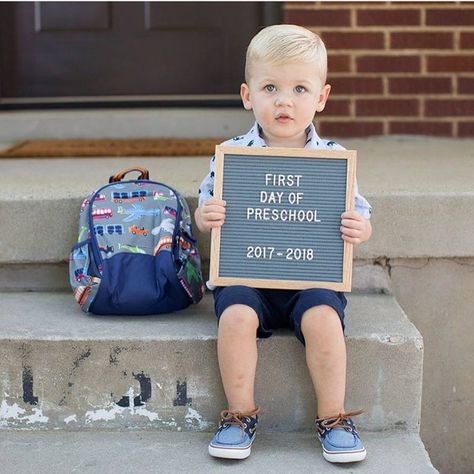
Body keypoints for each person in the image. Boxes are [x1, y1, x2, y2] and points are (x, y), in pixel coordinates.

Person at [195, 24, 372, 464]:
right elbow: (205, 207)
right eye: (270, 87)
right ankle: (238, 415)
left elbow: (359, 212)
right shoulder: (231, 156)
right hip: (246, 276)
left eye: (299, 88)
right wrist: (206, 216)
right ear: (247, 94)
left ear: (322, 97)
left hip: (310, 278)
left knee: (324, 319)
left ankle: (333, 417)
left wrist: (359, 228)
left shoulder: (333, 160)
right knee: (234, 316)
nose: (284, 100)